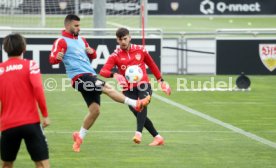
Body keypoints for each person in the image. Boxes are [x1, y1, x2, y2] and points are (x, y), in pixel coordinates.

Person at [49, 14, 150, 152]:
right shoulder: (61, 41)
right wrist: (57, 57)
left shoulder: (81, 40)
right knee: (107, 87)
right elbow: (52, 59)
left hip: (89, 75)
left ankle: (79, 137)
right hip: (79, 78)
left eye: (79, 25)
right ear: (68, 26)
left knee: (95, 111)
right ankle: (136, 103)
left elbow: (93, 55)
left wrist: (91, 52)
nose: (79, 28)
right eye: (76, 25)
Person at [100, 27, 171, 146]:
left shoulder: (140, 50)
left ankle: (138, 133)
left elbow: (152, 65)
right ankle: (158, 137)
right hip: (128, 89)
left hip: (143, 84)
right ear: (117, 40)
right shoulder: (115, 55)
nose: (123, 41)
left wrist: (161, 81)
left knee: (142, 103)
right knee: (138, 112)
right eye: (120, 39)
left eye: (125, 38)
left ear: (129, 37)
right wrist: (114, 74)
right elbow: (103, 71)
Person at [0, 33, 50, 168]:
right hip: (31, 123)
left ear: (5, 49)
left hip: (8, 124)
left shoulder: (0, 69)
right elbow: (38, 88)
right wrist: (45, 114)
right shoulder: (31, 65)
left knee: (7, 164)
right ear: (24, 48)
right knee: (42, 164)